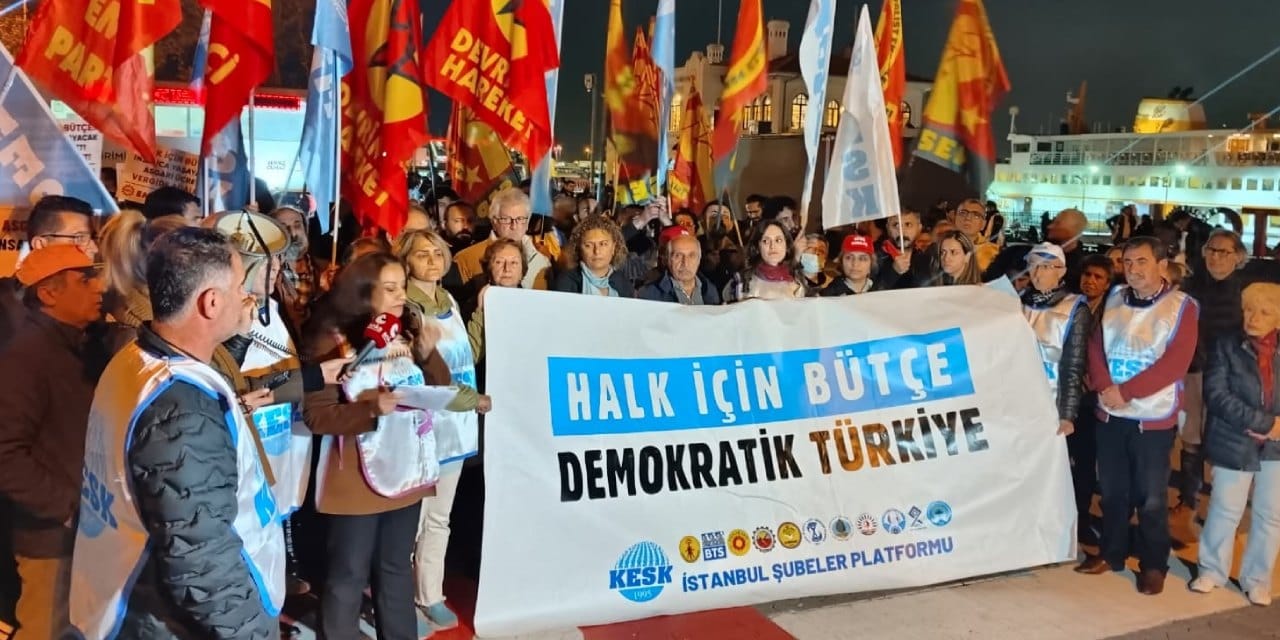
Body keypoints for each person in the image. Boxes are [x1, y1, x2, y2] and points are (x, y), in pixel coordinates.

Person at [69, 227, 285, 638]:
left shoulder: (136, 359)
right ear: (211, 302)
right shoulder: (180, 410)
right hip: (166, 619)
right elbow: (201, 558)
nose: (247, 296)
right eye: (240, 285)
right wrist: (253, 632)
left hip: (130, 600)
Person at [302, 253, 489, 640]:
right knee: (348, 574)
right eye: (390, 289)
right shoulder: (330, 337)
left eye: (402, 287)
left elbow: (438, 387)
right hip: (355, 479)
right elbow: (317, 416)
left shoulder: (406, 331)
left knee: (395, 568)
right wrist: (372, 409)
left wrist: (427, 354)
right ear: (362, 292)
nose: (401, 296)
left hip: (407, 472)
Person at [1076, 236, 1199, 596]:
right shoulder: (1115, 296)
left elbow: (1175, 364)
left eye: (1142, 262)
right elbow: (1096, 345)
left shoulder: (1181, 306)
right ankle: (1111, 553)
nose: (1133, 269)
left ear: (1162, 265)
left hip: (1151, 418)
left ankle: (1153, 564)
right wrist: (1103, 385)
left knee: (1151, 497)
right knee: (1113, 492)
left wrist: (1125, 392)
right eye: (1127, 262)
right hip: (1111, 413)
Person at [0, 245, 106, 639]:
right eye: (85, 280)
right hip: (51, 541)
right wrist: (68, 508)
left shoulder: (78, 346)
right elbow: (5, 454)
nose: (99, 287)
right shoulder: (27, 356)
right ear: (48, 293)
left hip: (85, 531)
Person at [394, 231, 482, 631]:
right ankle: (400, 601)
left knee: (439, 518)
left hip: (457, 427)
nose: (432, 260)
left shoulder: (448, 300)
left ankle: (430, 594)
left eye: (437, 253)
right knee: (410, 524)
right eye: (422, 254)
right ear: (406, 261)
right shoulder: (407, 309)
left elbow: (468, 355)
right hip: (424, 427)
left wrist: (481, 315)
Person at [1189, 282, 1280, 606]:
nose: (1253, 318)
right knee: (1225, 510)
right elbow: (1217, 395)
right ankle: (1212, 571)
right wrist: (1265, 424)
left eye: (1264, 312)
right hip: (1233, 439)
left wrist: (1276, 428)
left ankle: (1257, 579)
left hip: (1277, 446)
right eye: (1249, 310)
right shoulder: (1225, 344)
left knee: (1271, 515)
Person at [1171, 229, 1250, 541]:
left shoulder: (1246, 291)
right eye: (1211, 250)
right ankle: (1187, 504)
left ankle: (1224, 511)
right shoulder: (1190, 287)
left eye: (1224, 252)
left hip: (1231, 379)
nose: (1216, 257)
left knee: (1225, 444)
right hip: (1195, 372)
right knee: (1191, 440)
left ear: (1238, 257)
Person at [0, 196, 99, 353]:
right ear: (41, 244)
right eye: (79, 238)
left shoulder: (95, 308)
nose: (93, 248)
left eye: (92, 238)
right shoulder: (5, 308)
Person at [1020, 242, 1090, 437]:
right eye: (1033, 265)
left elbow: (1074, 365)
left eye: (1045, 266)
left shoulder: (1074, 308)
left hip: (1050, 399)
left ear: (1061, 271)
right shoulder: (1019, 301)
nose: (1037, 273)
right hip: (1018, 397)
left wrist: (1067, 415)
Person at [453, 188, 551, 290]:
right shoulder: (465, 260)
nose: (514, 226)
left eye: (520, 219)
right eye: (506, 219)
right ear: (494, 222)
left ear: (527, 223)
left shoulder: (542, 262)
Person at [723, 220, 807, 301]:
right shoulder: (742, 281)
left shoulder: (797, 281)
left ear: (786, 245)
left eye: (778, 240)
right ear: (758, 247)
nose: (772, 246)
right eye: (766, 241)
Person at [552, 215, 635, 297]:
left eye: (603, 244)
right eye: (588, 245)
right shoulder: (566, 282)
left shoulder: (624, 284)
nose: (597, 251)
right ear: (579, 249)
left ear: (613, 248)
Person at [639, 228, 721, 305]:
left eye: (691, 256)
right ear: (668, 259)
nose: (685, 263)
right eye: (678, 256)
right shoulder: (649, 295)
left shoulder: (710, 290)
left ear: (699, 259)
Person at [953, 198, 999, 274]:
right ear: (954, 218)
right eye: (963, 213)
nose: (968, 218)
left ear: (983, 224)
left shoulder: (994, 253)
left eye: (976, 215)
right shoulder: (940, 247)